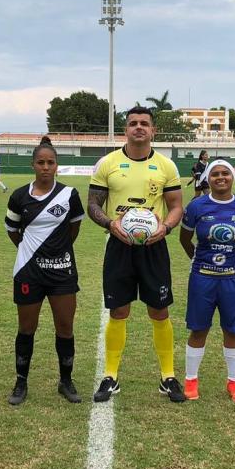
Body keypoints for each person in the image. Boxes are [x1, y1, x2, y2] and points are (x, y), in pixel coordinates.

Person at [88, 106, 186, 403]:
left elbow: (177, 206)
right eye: (133, 123)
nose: (139, 128)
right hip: (120, 246)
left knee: (159, 310)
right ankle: (111, 376)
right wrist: (110, 224)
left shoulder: (166, 166)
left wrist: (165, 228)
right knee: (119, 310)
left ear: (153, 130)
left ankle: (167, 376)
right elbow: (93, 204)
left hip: (154, 247)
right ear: (125, 130)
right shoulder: (108, 163)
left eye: (145, 123)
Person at [4, 137, 85, 405]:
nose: (46, 167)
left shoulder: (69, 195)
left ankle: (66, 381)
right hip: (28, 272)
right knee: (26, 328)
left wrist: (57, 250)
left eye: (51, 162)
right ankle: (20, 382)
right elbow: (12, 231)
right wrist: (32, 250)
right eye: (41, 162)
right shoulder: (18, 196)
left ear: (57, 165)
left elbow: (73, 229)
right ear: (33, 165)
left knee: (65, 327)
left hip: (62, 271)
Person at [179, 159, 235, 402]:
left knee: (232, 329)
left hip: (234, 278)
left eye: (225, 173)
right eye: (215, 174)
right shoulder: (196, 206)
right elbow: (185, 239)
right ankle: (191, 380)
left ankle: (234, 382)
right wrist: (200, 260)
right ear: (208, 178)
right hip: (202, 277)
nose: (221, 177)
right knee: (198, 328)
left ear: (232, 177)